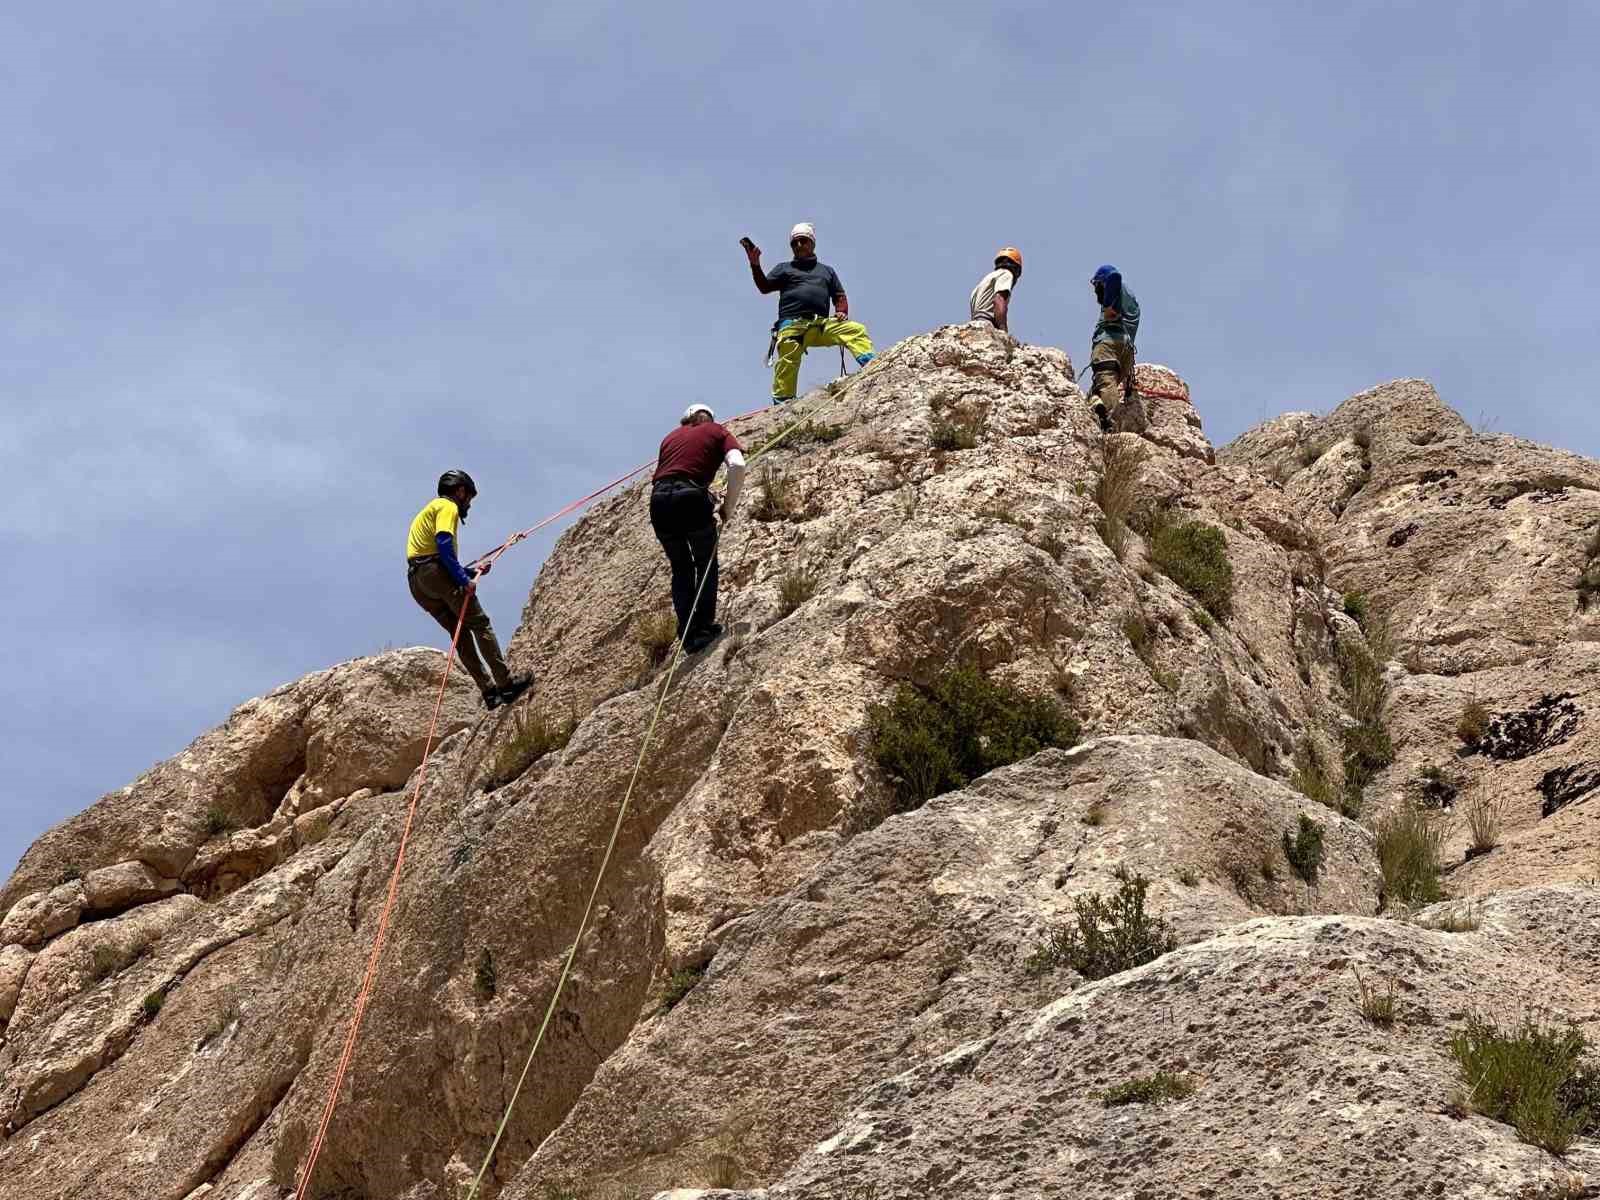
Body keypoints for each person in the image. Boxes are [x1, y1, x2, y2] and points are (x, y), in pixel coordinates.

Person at [406, 470, 531, 709]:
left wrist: (470, 572)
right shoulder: (447, 506)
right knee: (479, 623)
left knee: (460, 634)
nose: (469, 505)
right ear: (461, 491)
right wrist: (464, 581)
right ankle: (505, 685)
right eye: (469, 499)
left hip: (418, 583)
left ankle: (489, 692)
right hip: (435, 572)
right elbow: (443, 544)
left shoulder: (428, 510)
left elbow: (430, 556)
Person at [742, 223, 876, 404]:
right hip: (792, 325)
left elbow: (839, 296)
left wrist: (841, 311)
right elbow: (764, 287)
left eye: (803, 241)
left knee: (854, 329)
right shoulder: (784, 269)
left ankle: (871, 364)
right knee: (788, 355)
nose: (798, 245)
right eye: (794, 243)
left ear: (812, 243)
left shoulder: (827, 271)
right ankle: (783, 401)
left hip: (820, 324)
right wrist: (755, 265)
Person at [650, 404, 747, 654]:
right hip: (691, 499)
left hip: (659, 502)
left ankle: (688, 633)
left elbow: (675, 471)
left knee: (681, 568)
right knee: (706, 562)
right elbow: (737, 465)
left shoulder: (669, 438)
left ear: (686, 420)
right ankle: (703, 627)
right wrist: (728, 507)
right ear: (710, 419)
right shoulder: (717, 431)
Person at [1087, 264, 1141, 432]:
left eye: (1097, 287)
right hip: (1126, 352)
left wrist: (1110, 308)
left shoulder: (1115, 289)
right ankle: (1100, 411)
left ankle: (1112, 428)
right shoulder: (1130, 298)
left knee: (1106, 382)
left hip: (1107, 345)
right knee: (1094, 395)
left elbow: (1114, 277)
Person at [969, 247, 1022, 332]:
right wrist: (1003, 331)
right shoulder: (1006, 274)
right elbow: (999, 300)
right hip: (987, 324)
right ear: (1016, 269)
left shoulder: (983, 282)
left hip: (974, 325)